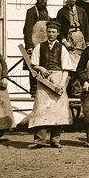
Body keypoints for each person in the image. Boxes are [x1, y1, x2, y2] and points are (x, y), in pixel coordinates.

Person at [28, 20, 74, 148]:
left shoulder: (62, 48)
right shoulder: (39, 47)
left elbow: (66, 68)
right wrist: (41, 68)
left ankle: (55, 140)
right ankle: (39, 141)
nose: (51, 34)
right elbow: (33, 64)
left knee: (57, 110)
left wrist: (62, 83)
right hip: (43, 81)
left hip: (58, 78)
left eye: (53, 32)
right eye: (49, 32)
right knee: (41, 110)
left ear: (58, 33)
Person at [56, 0, 89, 97]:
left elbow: (86, 28)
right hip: (68, 38)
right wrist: (64, 41)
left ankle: (77, 91)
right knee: (69, 65)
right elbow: (58, 29)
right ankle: (66, 91)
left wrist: (88, 42)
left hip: (80, 38)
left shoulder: (82, 11)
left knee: (80, 64)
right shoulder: (62, 12)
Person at [23, 0, 50, 96]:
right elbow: (27, 29)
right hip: (34, 44)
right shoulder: (31, 11)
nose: (43, 1)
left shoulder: (46, 12)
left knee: (44, 65)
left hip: (44, 43)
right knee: (34, 66)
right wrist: (29, 46)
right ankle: (34, 90)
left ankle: (43, 88)